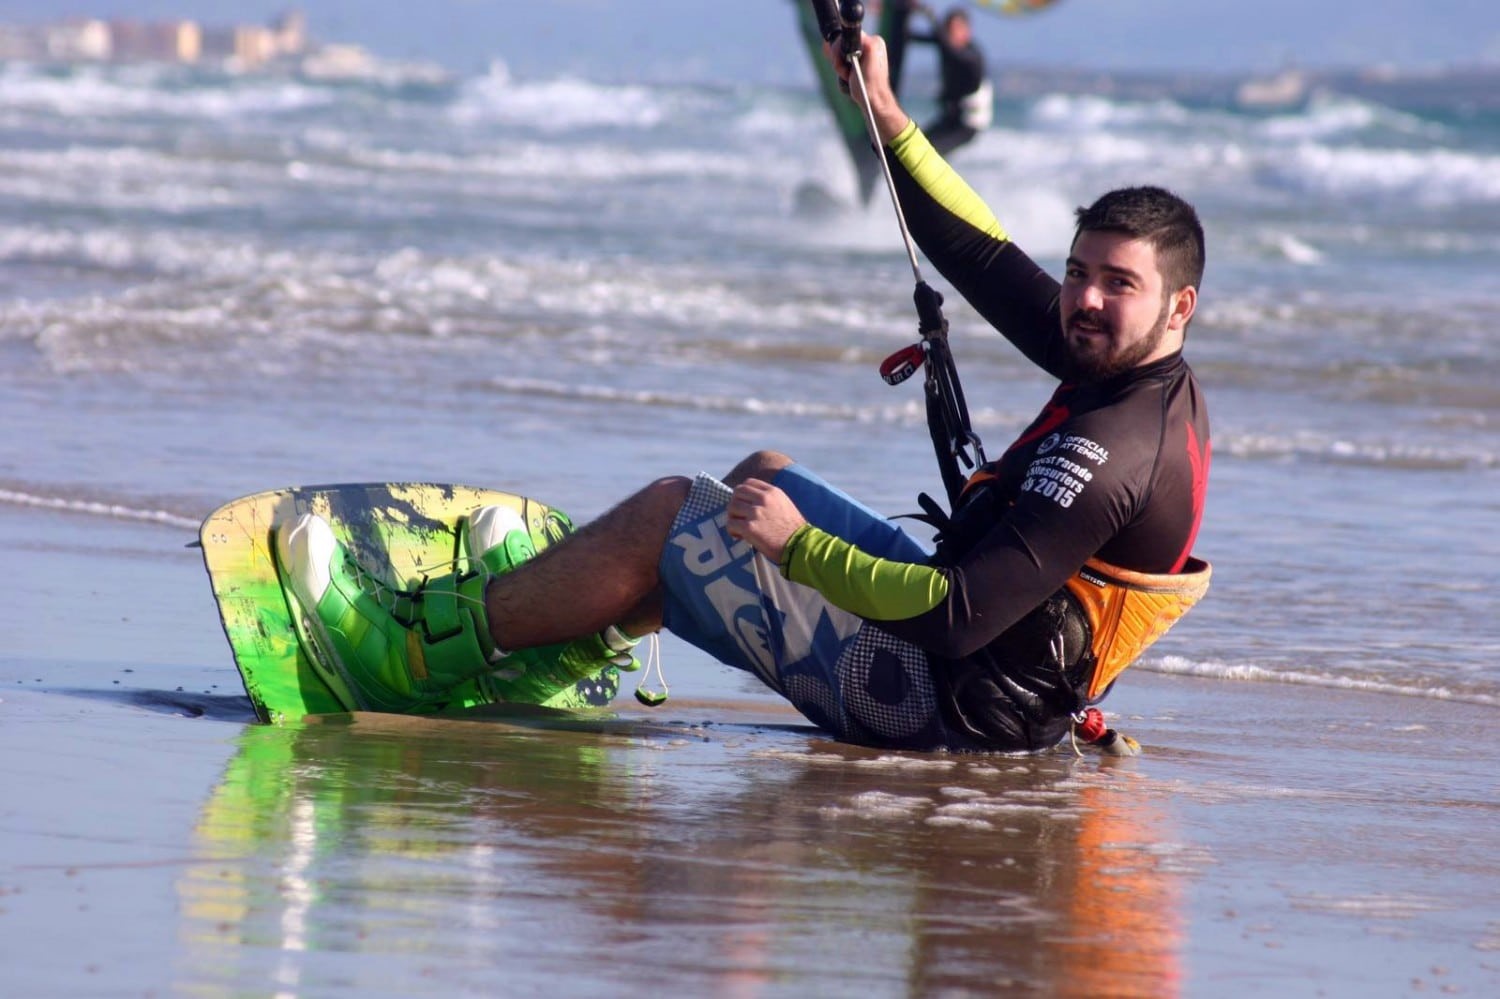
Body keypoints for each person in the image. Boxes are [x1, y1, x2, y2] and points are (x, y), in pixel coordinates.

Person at [273, 27, 1211, 754]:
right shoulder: (1125, 366)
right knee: (761, 474)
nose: (1083, 300)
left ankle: (416, 651)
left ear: (1179, 307)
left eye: (1116, 284)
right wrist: (887, 116)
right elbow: (976, 251)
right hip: (975, 673)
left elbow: (960, 612)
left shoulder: (1119, 447)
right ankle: (567, 635)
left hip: (943, 710)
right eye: (1080, 271)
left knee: (676, 511)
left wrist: (800, 550)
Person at [906, 3, 993, 155]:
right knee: (914, 145)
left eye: (956, 29)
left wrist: (928, 13)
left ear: (967, 32)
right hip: (949, 118)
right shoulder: (945, 44)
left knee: (930, 153)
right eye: (949, 30)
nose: (952, 34)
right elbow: (911, 37)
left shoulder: (972, 56)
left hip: (967, 126)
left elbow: (951, 51)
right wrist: (898, 14)